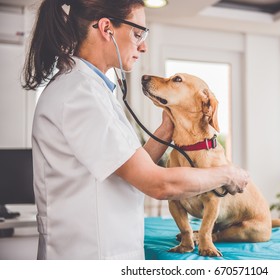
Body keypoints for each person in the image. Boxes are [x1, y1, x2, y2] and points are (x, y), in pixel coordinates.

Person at [22, 0, 249, 260]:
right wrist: (227, 174)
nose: (143, 46)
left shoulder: (93, 91)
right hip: (89, 254)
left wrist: (166, 130)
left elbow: (127, 167)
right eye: (138, 33)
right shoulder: (79, 95)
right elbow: (157, 184)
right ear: (107, 29)